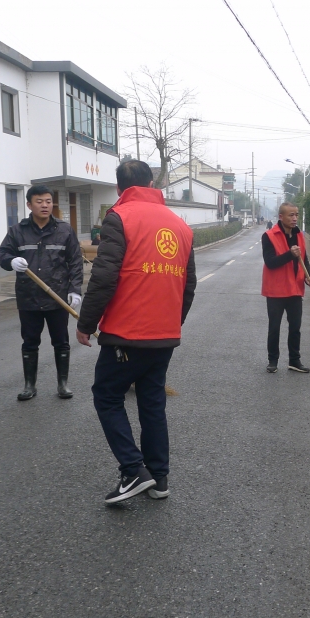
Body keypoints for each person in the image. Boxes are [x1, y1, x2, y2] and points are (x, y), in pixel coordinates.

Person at [76, 160, 196, 505]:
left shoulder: (120, 217)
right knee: (152, 402)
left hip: (127, 334)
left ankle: (132, 470)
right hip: (164, 335)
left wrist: (86, 324)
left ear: (120, 188)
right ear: (151, 183)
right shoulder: (180, 225)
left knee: (107, 395)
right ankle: (159, 478)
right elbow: (189, 285)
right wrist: (175, 321)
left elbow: (104, 276)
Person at [0, 185, 83, 401]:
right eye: (39, 201)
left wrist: (75, 290)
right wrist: (11, 261)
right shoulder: (18, 231)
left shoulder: (64, 230)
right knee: (30, 342)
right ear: (29, 204)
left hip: (57, 297)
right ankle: (29, 385)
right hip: (29, 297)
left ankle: (63, 384)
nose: (45, 205)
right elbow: (3, 255)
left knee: (61, 341)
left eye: (48, 201)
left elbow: (75, 262)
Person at [262, 202, 310, 374]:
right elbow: (270, 263)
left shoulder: (300, 235)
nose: (294, 218)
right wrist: (289, 254)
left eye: (296, 215)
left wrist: (309, 277)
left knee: (295, 327)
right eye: (291, 215)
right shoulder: (269, 236)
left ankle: (294, 360)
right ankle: (273, 360)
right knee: (274, 327)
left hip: (295, 289)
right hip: (276, 290)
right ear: (281, 217)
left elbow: (303, 259)